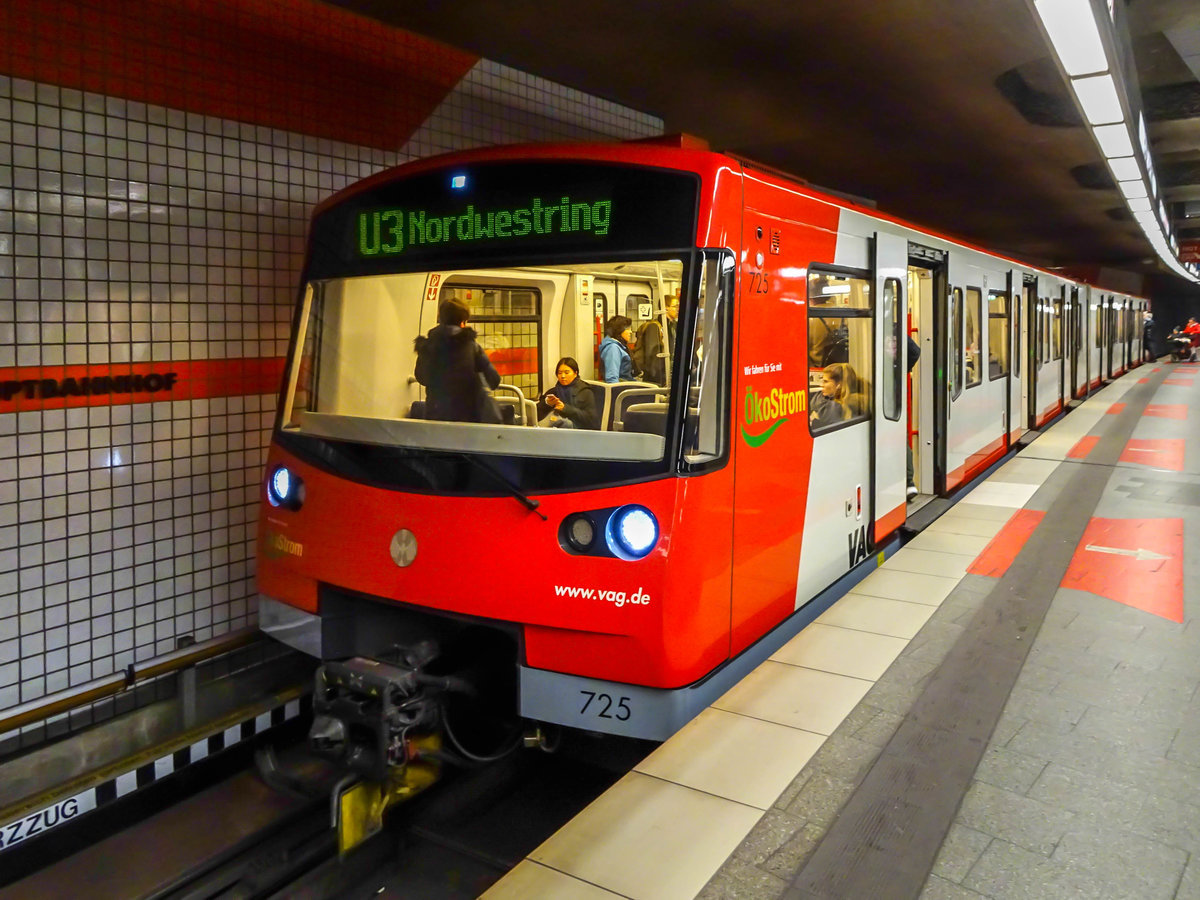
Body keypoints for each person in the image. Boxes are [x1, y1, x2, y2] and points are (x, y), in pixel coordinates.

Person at [413, 297, 501, 422]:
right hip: (466, 418)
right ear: (462, 322)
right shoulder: (472, 347)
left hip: (435, 416)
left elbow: (421, 377)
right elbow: (494, 380)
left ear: (441, 319)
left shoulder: (427, 346)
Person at [537, 357, 598, 429]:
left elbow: (591, 419)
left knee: (566, 424)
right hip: (556, 428)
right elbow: (536, 415)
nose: (563, 376)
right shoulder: (553, 392)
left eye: (566, 373)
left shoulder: (585, 392)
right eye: (559, 373)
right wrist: (547, 404)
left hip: (579, 429)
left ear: (575, 373)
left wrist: (565, 408)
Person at [810, 363, 853, 429]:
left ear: (839, 385)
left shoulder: (838, 407)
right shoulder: (820, 396)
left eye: (826, 381)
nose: (822, 385)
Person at [905, 335, 921, 499]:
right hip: (893, 382)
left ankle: (908, 481)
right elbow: (915, 351)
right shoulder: (895, 328)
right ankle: (908, 482)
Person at [599, 315, 635, 382]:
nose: (631, 332)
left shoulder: (620, 346)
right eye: (628, 329)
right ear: (619, 331)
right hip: (623, 389)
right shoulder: (613, 348)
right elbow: (612, 378)